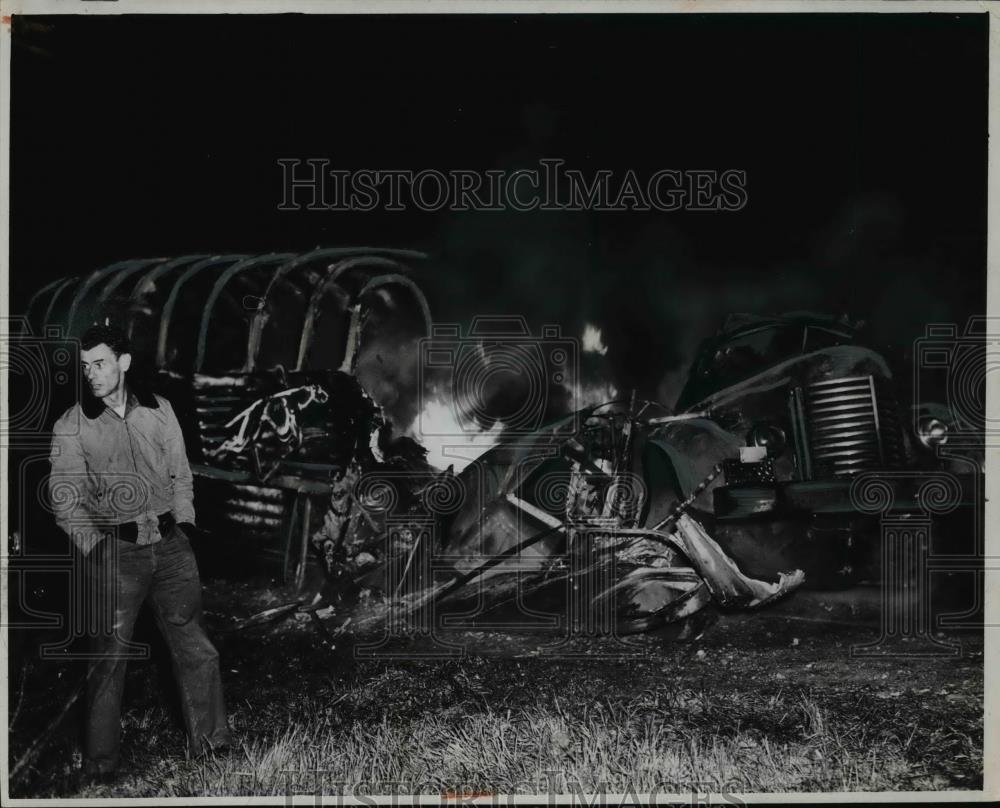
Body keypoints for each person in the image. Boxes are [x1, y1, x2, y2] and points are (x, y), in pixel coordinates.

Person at [48, 323, 232, 779]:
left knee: (196, 648)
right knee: (108, 662)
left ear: (124, 362)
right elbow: (64, 498)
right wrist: (96, 547)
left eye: (101, 363)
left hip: (171, 550)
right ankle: (102, 767)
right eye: (86, 366)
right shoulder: (74, 424)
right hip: (117, 555)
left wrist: (184, 525)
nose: (91, 373)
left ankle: (210, 745)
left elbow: (182, 474)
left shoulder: (160, 410)